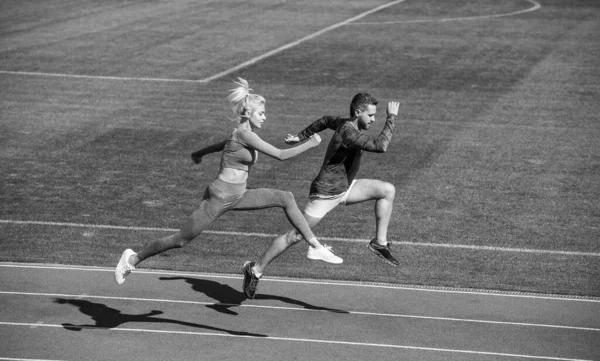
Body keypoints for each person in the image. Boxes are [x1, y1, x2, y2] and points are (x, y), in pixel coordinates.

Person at [115, 77, 342, 295]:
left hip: (240, 195)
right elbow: (281, 155)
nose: (265, 117)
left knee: (286, 197)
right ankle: (132, 258)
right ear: (248, 113)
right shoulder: (245, 134)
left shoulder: (242, 134)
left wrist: (200, 153)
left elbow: (224, 145)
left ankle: (314, 245)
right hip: (219, 197)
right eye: (261, 113)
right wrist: (310, 143)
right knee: (181, 240)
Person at [242, 93, 399, 298]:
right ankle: (255, 270)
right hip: (325, 194)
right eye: (370, 115)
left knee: (387, 190)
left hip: (345, 187)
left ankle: (379, 242)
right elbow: (381, 146)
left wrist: (301, 135)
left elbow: (325, 120)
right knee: (295, 236)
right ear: (358, 112)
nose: (373, 119)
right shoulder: (348, 132)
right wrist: (391, 118)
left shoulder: (344, 123)